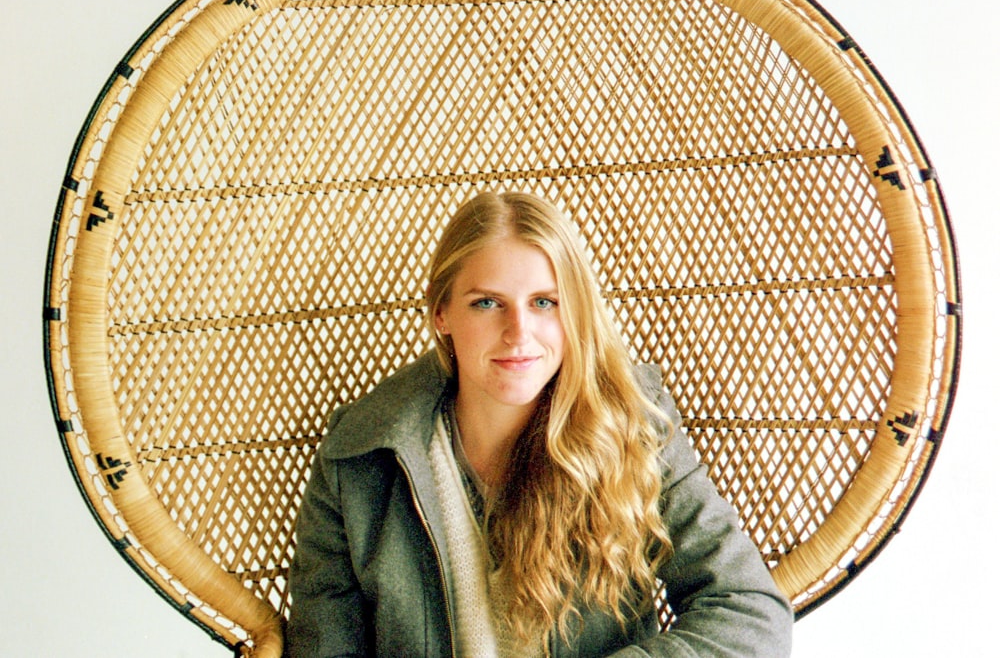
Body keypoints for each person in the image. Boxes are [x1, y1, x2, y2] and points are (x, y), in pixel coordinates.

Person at [286, 192, 793, 657]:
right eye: (487, 303)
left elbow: (749, 610)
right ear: (441, 313)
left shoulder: (631, 425)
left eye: (545, 303)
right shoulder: (356, 457)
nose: (518, 333)